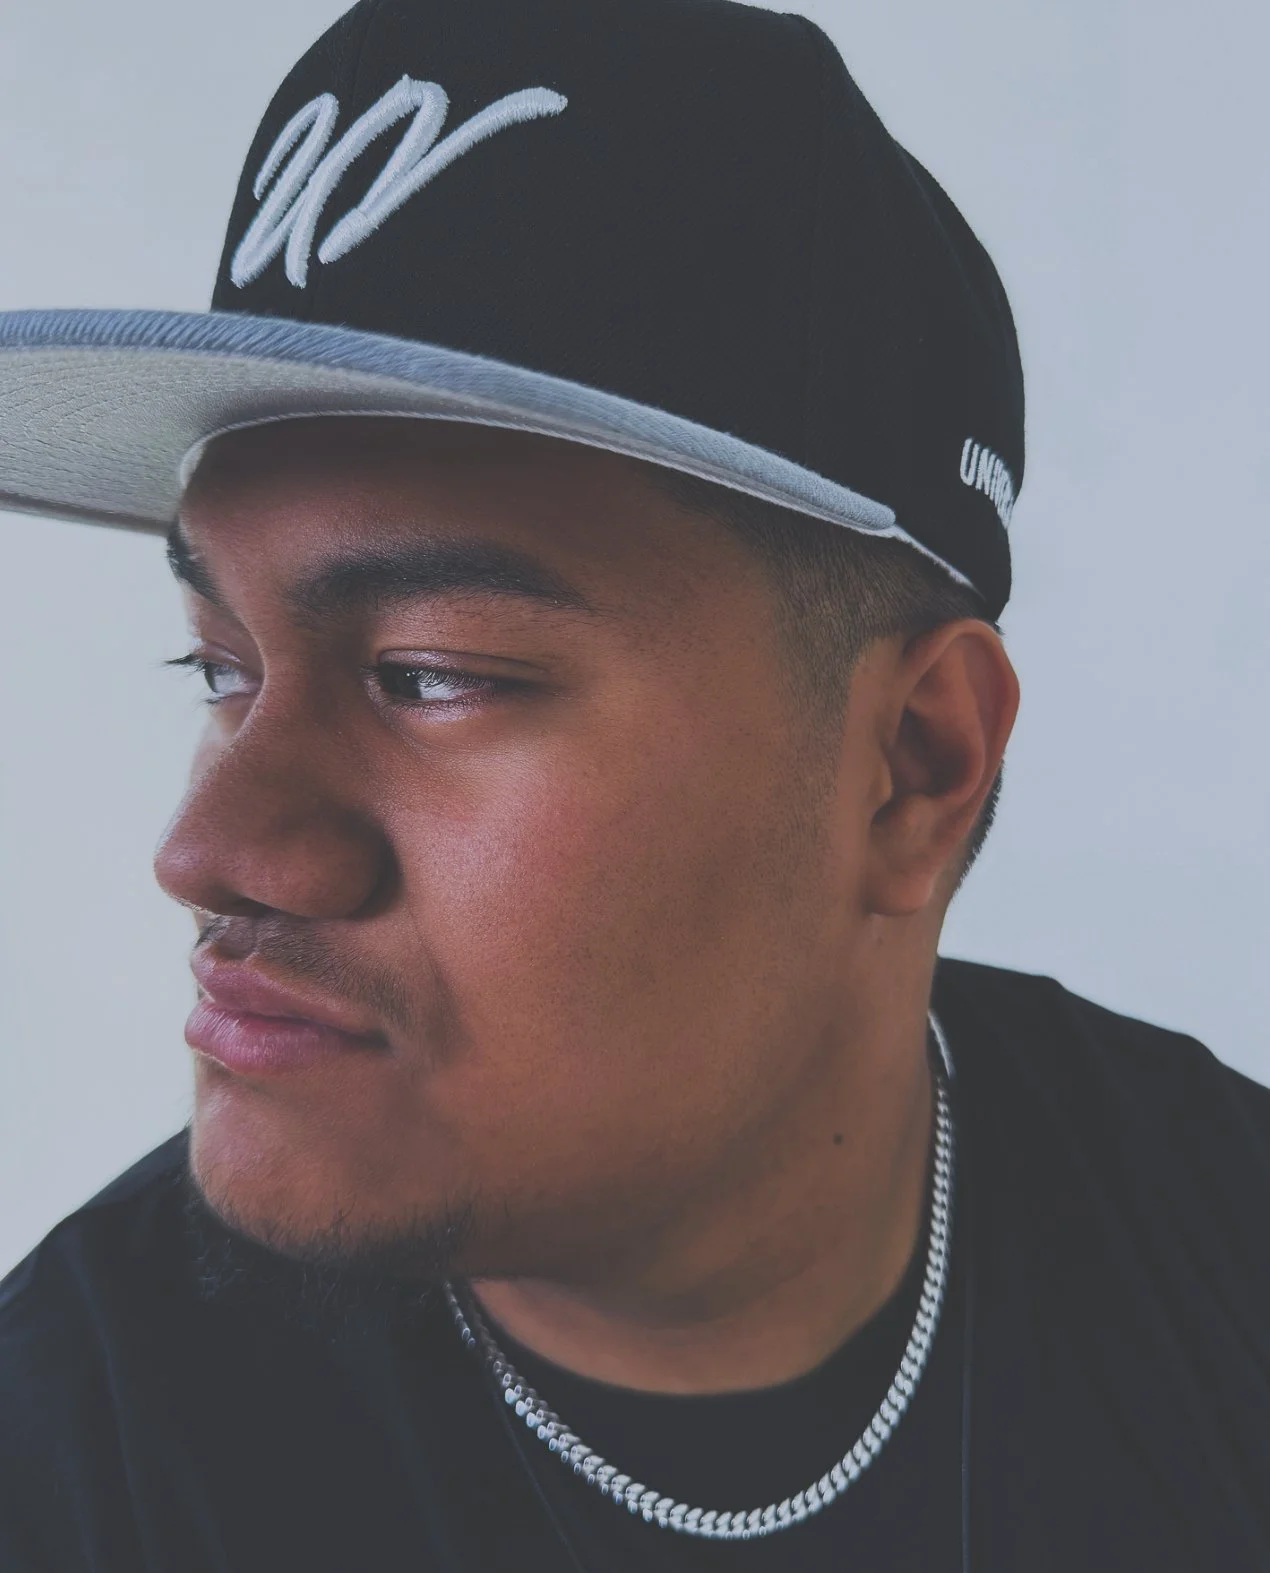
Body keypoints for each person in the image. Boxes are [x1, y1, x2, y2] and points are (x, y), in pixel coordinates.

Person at [0, 0, 1266, 1569]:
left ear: (908, 769)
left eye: (433, 675)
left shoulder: (1219, 1259)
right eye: (222, 669)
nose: (211, 847)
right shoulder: (73, 1453)